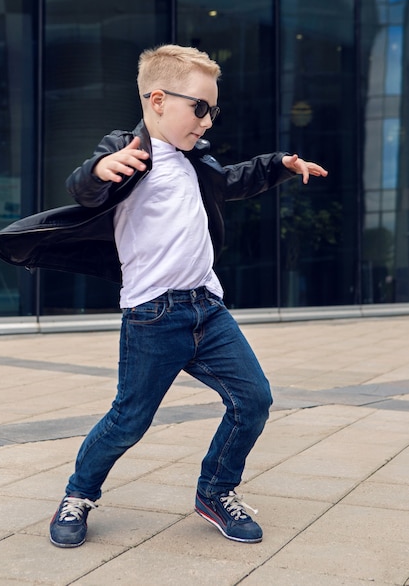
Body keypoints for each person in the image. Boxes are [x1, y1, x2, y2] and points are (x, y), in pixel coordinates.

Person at [47, 44, 328, 548]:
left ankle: (216, 492)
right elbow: (86, 186)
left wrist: (279, 164)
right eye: (199, 107)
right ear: (158, 100)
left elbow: (236, 180)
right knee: (128, 421)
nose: (208, 120)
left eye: (213, 110)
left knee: (254, 400)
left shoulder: (198, 161)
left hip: (207, 309)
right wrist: (97, 172)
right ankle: (78, 494)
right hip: (154, 317)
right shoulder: (128, 152)